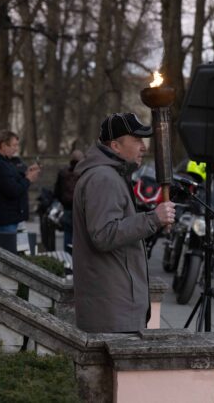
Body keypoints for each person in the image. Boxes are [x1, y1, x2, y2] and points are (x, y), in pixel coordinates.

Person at [73, 112, 175, 333]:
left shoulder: (112, 175)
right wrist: (153, 219)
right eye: (137, 140)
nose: (144, 147)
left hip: (115, 305)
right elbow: (103, 234)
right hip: (112, 310)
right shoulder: (103, 178)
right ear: (115, 146)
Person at [0, 130, 41, 237]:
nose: (16, 149)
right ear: (3, 145)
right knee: (8, 252)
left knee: (18, 252)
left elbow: (12, 179)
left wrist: (26, 173)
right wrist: (28, 179)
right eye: (14, 145)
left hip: (13, 218)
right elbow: (12, 190)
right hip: (6, 219)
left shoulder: (5, 162)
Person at [54, 149, 85, 253]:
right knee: (81, 237)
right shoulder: (85, 173)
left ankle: (67, 258)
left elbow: (57, 191)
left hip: (67, 208)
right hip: (81, 210)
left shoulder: (63, 173)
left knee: (67, 235)